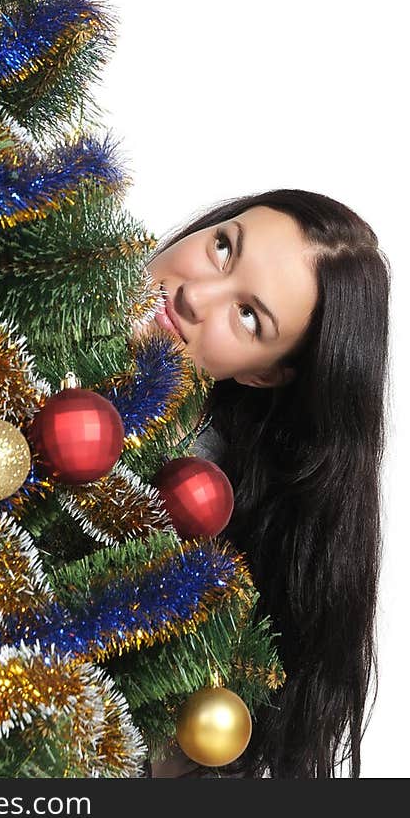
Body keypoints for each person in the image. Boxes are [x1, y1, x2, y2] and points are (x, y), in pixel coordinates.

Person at [144, 188, 390, 779]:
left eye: (249, 316)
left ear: (262, 375)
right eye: (223, 247)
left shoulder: (190, 533)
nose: (194, 296)